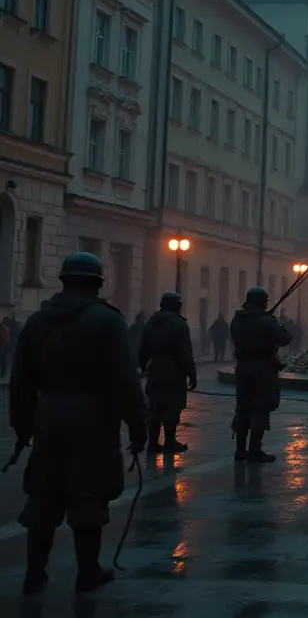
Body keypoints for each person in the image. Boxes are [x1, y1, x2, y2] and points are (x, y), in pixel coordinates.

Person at [8, 252, 146, 595]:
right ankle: (87, 572)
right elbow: (124, 380)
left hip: (49, 416)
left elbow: (21, 382)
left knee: (43, 494)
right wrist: (138, 424)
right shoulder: (108, 321)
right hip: (94, 419)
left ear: (65, 281)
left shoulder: (37, 322)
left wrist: (24, 426)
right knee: (89, 493)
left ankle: (34, 573)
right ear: (97, 284)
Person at [229, 286, 290, 463]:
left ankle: (240, 450)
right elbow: (284, 339)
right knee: (260, 409)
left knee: (242, 408)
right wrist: (279, 326)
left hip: (242, 368)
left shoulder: (237, 320)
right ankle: (255, 450)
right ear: (263, 302)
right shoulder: (267, 321)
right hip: (263, 369)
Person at [138, 292, 197, 455]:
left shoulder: (151, 323)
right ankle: (170, 441)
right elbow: (185, 352)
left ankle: (153, 442)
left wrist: (143, 366)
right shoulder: (179, 325)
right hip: (174, 372)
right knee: (172, 408)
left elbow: (143, 349)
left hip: (155, 370)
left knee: (155, 407)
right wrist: (192, 374)